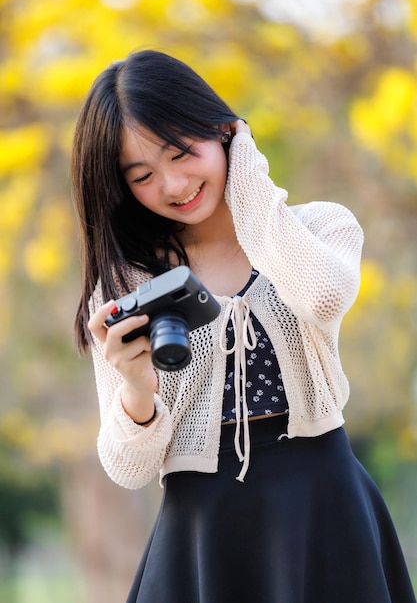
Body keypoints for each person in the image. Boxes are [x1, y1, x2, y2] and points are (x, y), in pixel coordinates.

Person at [71, 49, 416, 603]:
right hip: (202, 536)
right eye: (142, 175)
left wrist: (246, 168)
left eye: (182, 151)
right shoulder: (129, 282)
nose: (174, 184)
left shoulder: (319, 229)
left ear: (222, 129)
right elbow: (128, 468)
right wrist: (137, 388)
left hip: (325, 514)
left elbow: (324, 295)